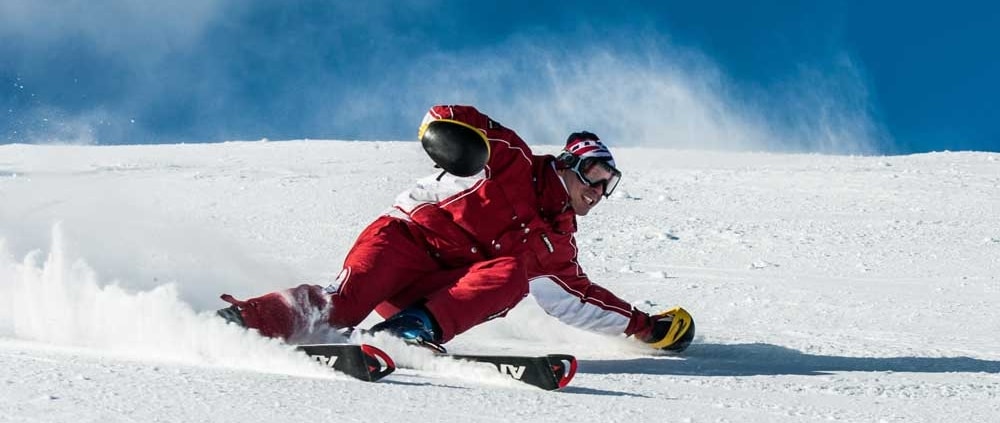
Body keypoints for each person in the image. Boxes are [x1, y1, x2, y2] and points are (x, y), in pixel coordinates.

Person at [217, 104, 694, 353]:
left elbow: (578, 300)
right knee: (344, 304)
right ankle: (248, 322)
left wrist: (645, 327)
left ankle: (408, 332)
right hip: (403, 242)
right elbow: (450, 115)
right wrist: (452, 142)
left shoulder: (557, 244)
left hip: (433, 293)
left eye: (608, 185)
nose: (598, 191)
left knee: (511, 276)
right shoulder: (512, 160)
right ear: (570, 165)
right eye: (595, 177)